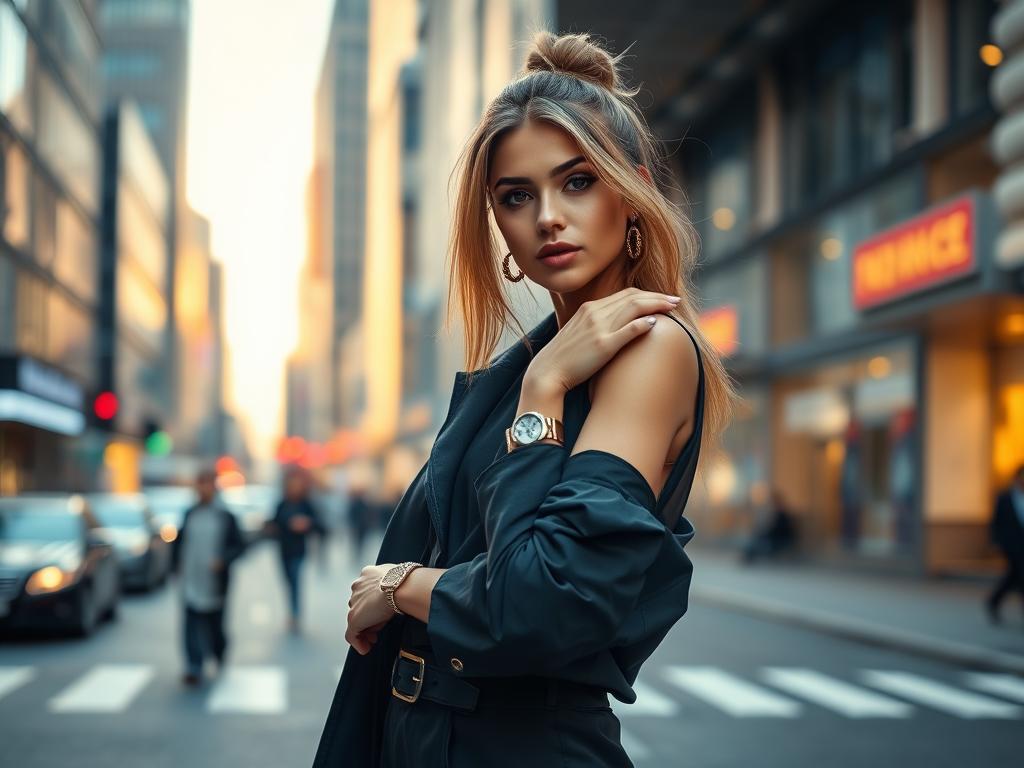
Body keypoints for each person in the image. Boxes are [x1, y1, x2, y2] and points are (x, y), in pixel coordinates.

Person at [313, 31, 734, 767]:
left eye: (578, 181)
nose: (546, 216)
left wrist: (398, 583)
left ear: (630, 190)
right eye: (516, 195)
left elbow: (541, 602)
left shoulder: (650, 351)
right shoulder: (532, 360)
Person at [171, 468, 246, 686]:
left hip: (215, 581)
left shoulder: (225, 516)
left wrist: (223, 559)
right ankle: (194, 665)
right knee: (191, 622)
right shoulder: (189, 513)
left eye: (207, 484)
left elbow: (239, 546)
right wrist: (175, 568)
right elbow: (179, 544)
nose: (202, 489)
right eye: (199, 484)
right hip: (190, 578)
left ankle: (218, 651)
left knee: (214, 624)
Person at [267, 467, 325, 632]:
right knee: (288, 581)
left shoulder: (306, 504)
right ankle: (292, 611)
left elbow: (320, 526)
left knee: (295, 579)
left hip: (299, 551)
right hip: (283, 550)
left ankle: (295, 614)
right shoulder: (282, 503)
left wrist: (306, 523)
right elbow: (275, 523)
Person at [986, 465, 1024, 625]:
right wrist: (997, 543)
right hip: (1011, 545)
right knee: (1020, 576)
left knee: (1012, 577)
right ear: (1016, 478)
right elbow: (996, 522)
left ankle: (994, 601)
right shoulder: (1004, 497)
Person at [741, 489, 797, 564]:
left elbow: (777, 531)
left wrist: (764, 533)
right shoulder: (776, 514)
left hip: (779, 541)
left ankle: (747, 559)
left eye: (772, 502)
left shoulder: (782, 515)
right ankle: (747, 559)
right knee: (755, 541)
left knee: (758, 543)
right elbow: (771, 530)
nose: (771, 504)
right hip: (773, 539)